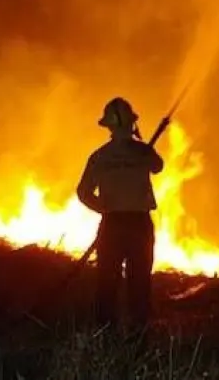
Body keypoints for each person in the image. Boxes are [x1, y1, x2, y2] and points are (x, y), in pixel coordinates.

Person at [76, 97, 164, 329]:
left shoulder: (100, 156)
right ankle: (138, 336)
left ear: (109, 127)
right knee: (139, 284)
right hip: (139, 225)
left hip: (112, 225)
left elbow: (83, 192)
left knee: (106, 283)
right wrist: (144, 147)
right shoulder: (143, 151)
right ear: (131, 123)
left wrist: (103, 208)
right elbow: (158, 166)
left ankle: (105, 335)